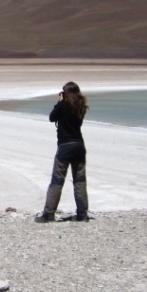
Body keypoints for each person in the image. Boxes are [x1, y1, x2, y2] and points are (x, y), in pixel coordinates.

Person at [35, 82, 89, 223]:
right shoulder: (81, 106)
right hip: (79, 146)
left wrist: (59, 103)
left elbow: (52, 117)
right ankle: (82, 214)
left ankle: (48, 214)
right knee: (80, 181)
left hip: (65, 146)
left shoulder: (63, 105)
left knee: (57, 180)